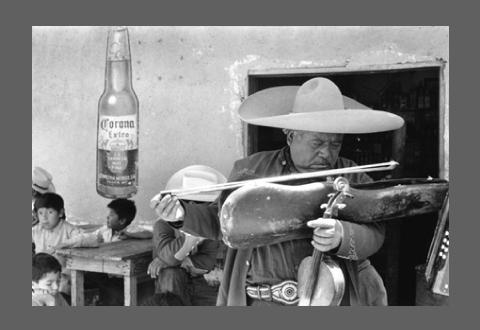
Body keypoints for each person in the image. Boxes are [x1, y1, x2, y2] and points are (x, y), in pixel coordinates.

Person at [151, 77, 404, 306]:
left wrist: (342, 236)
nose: (327, 153)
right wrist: (181, 215)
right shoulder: (252, 170)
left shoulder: (352, 176)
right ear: (291, 136)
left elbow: (376, 233)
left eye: (335, 144)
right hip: (258, 300)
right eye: (317, 143)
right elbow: (222, 221)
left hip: (326, 301)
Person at [147, 165, 227, 305]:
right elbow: (170, 258)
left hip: (200, 281)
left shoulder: (211, 226)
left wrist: (178, 261)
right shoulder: (163, 224)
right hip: (171, 282)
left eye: (205, 204)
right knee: (171, 273)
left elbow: (207, 262)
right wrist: (191, 237)